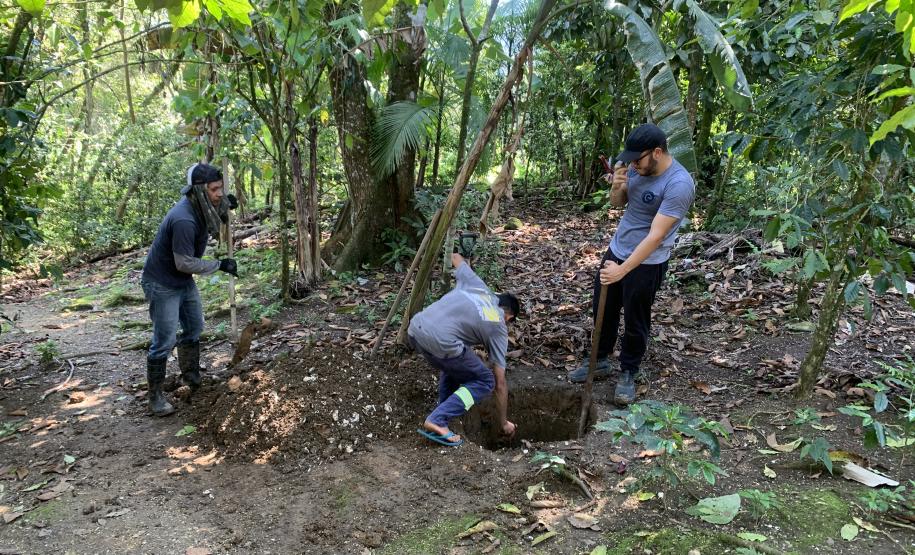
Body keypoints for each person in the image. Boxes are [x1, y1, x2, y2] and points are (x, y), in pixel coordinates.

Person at [568, 124, 695, 405]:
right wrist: (617, 185)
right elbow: (618, 204)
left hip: (648, 261)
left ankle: (628, 371)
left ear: (658, 153)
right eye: (631, 160)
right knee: (604, 307)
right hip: (617, 249)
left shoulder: (678, 184)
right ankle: (600, 360)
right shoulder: (637, 167)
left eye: (638, 159)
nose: (633, 164)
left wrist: (622, 270)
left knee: (636, 317)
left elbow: (656, 236)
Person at [140, 163, 239, 417]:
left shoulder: (204, 205)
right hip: (162, 283)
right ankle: (155, 398)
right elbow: (183, 263)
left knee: (194, 327)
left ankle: (191, 378)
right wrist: (219, 265)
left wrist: (227, 204)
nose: (219, 193)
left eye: (221, 188)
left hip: (182, 282)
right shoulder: (183, 218)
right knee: (164, 340)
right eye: (215, 189)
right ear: (199, 190)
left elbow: (217, 213)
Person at [409, 253, 519, 446]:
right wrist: (503, 423)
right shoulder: (499, 325)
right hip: (441, 342)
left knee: (458, 359)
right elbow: (499, 383)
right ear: (508, 317)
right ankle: (437, 419)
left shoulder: (477, 285)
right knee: (485, 380)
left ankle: (443, 412)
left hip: (415, 329)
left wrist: (466, 259)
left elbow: (455, 257)